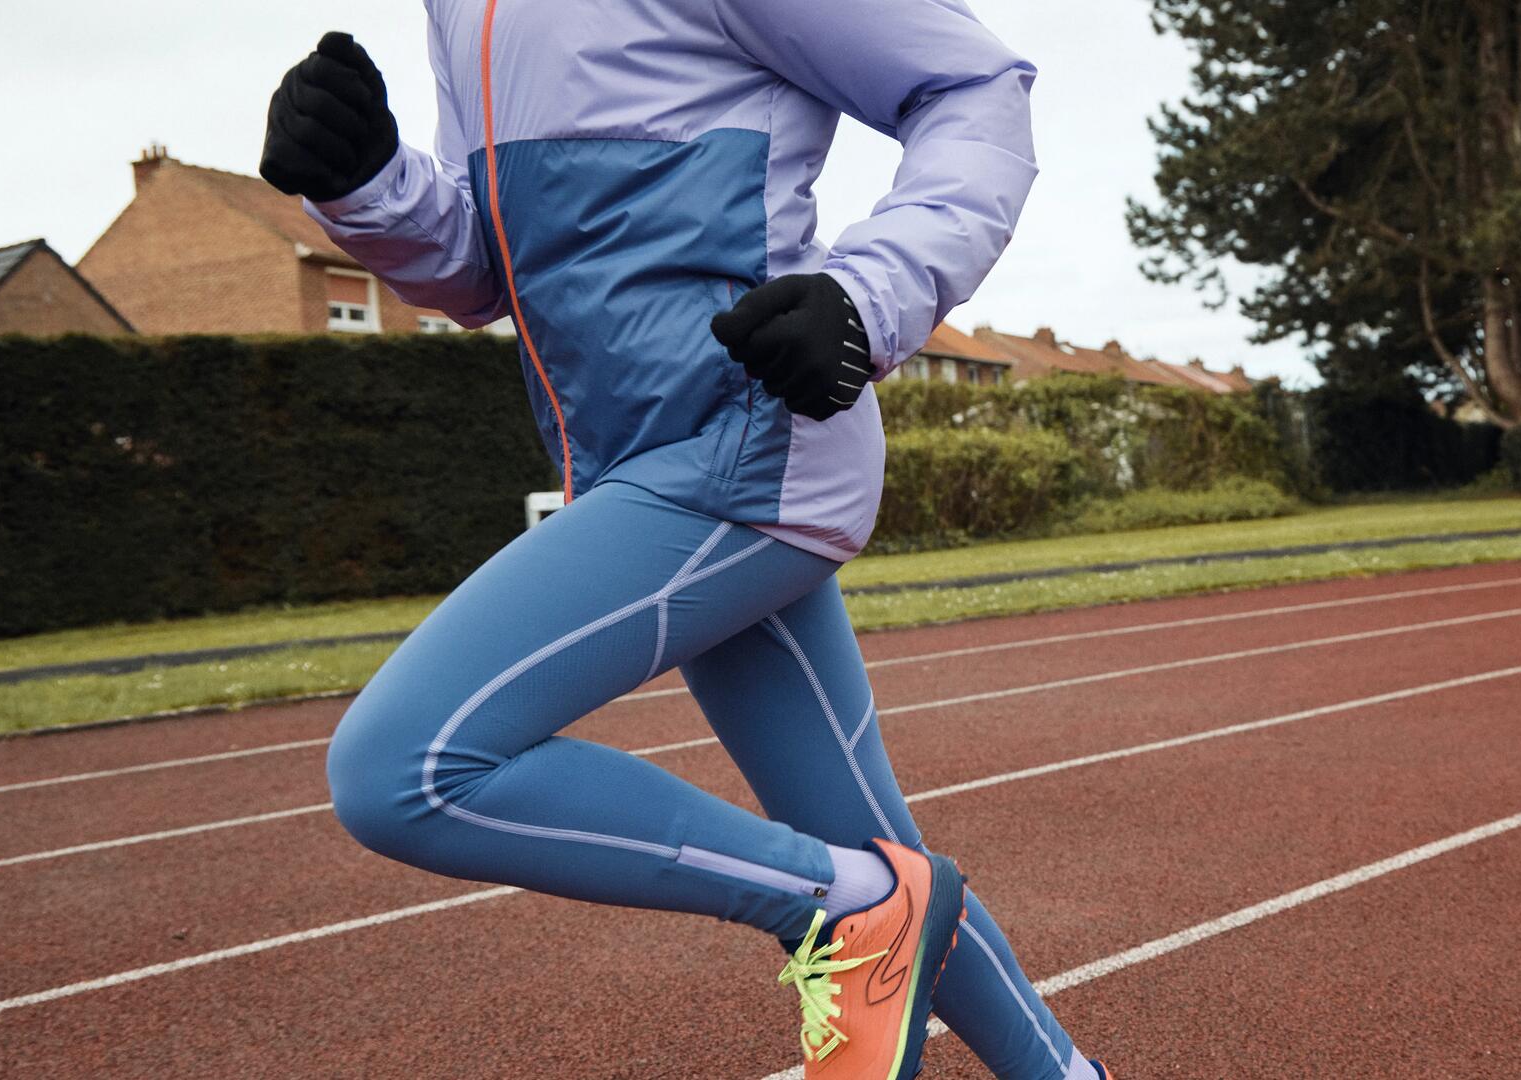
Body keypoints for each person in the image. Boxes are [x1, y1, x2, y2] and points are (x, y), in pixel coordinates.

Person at [260, 3, 1109, 1077]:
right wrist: (371, 184)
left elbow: (974, 86)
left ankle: (844, 914)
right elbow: (488, 271)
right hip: (629, 466)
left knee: (403, 767)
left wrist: (870, 291)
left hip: (748, 442)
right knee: (878, 847)